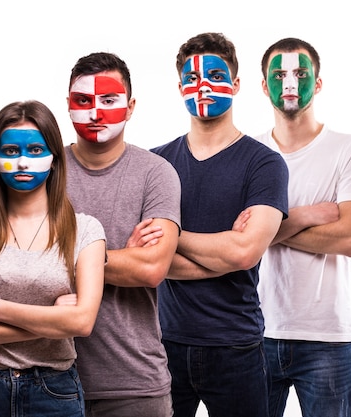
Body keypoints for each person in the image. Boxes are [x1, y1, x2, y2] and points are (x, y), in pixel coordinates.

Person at [150, 32, 289, 417]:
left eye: (214, 74)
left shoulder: (264, 164)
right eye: (192, 79)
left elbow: (245, 252)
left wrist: (172, 237)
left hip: (236, 347)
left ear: (237, 84)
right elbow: (143, 260)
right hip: (162, 345)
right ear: (180, 88)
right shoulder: (156, 164)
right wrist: (221, 248)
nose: (204, 86)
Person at [0, 100, 106, 417]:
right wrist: (52, 323)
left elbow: (82, 322)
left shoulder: (85, 230)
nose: (21, 162)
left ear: (55, 159)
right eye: (10, 152)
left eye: (34, 150)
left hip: (54, 391)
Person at [254, 37, 351, 417]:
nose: (289, 84)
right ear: (264, 86)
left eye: (300, 73)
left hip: (327, 338)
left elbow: (350, 238)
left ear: (318, 82)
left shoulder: (350, 149)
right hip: (255, 334)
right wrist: (307, 215)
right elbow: (239, 240)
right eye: (279, 75)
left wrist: (271, 229)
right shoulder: (249, 153)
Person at [63, 52, 182, 417]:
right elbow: (16, 255)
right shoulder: (43, 169)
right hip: (50, 380)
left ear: (130, 107)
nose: (96, 113)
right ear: (68, 106)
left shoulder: (156, 173)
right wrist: (118, 256)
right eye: (83, 101)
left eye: (109, 101)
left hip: (135, 383)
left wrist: (62, 254)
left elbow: (150, 269)